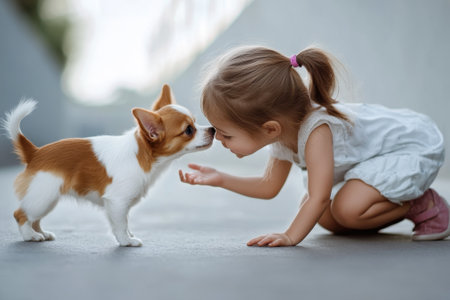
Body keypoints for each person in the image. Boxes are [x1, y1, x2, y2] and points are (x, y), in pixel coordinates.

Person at [178, 45, 449, 247]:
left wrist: (290, 236)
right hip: (376, 162)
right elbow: (268, 186)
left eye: (226, 134)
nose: (219, 140)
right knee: (327, 218)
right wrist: (220, 179)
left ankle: (422, 203)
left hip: (409, 149)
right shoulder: (281, 134)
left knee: (343, 209)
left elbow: (319, 196)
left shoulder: (317, 129)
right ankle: (387, 204)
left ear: (270, 127)